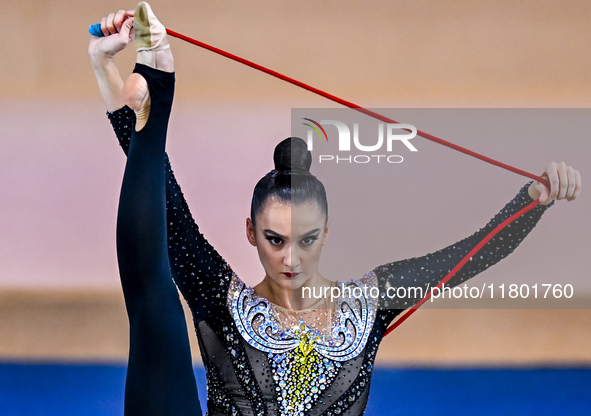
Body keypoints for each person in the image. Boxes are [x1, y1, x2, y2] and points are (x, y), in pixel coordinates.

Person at [89, 4, 582, 416]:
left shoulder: (366, 306)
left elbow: (466, 258)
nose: (290, 261)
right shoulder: (226, 304)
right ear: (250, 232)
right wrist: (112, 90)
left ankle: (147, 107)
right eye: (274, 240)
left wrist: (532, 202)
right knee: (153, 296)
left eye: (305, 240)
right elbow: (169, 216)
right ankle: (154, 106)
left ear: (326, 234)